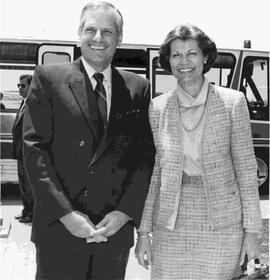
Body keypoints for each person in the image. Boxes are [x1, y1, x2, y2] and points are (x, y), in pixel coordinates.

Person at [23, 1, 155, 279]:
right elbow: (35, 152)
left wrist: (124, 214)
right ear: (79, 33)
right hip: (58, 230)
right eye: (91, 30)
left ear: (119, 38)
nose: (98, 38)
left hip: (112, 233)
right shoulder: (48, 78)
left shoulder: (137, 88)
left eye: (107, 32)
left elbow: (144, 159)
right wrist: (66, 215)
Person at [135, 23, 261, 280]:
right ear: (167, 61)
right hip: (169, 226)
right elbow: (155, 175)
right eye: (176, 55)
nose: (184, 61)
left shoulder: (232, 103)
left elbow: (247, 174)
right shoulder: (157, 108)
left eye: (192, 53)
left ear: (205, 57)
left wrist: (252, 233)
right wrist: (143, 233)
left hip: (223, 226)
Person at [12, 74, 34, 223]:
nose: (20, 88)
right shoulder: (23, 103)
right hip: (20, 152)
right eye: (18, 85)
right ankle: (26, 210)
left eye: (23, 85)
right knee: (22, 183)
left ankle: (31, 213)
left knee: (29, 185)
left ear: (30, 87)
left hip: (27, 152)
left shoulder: (33, 105)